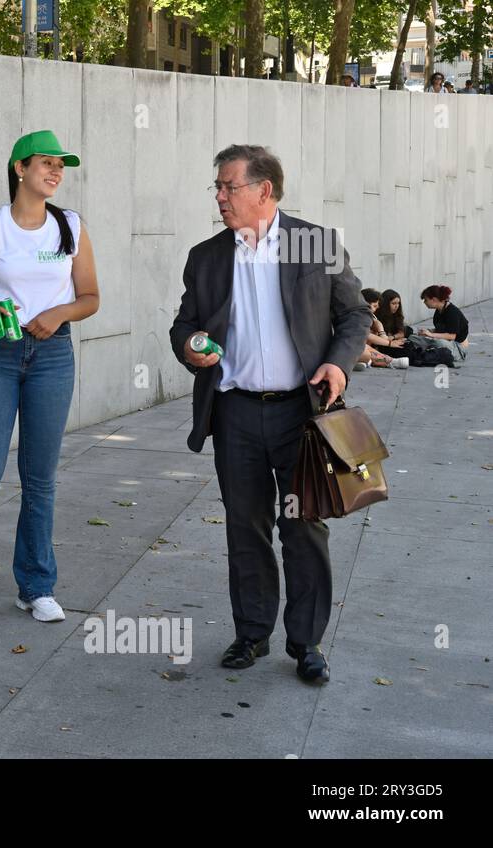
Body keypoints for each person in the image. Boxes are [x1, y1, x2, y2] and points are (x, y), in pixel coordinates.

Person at [169, 144, 372, 684]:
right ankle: (251, 633)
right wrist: (190, 343)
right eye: (217, 187)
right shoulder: (207, 255)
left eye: (228, 186)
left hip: (301, 415)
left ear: (264, 190)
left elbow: (355, 313)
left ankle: (306, 644)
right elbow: (184, 324)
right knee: (245, 526)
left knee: (303, 527)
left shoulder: (317, 244)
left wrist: (338, 365)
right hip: (234, 413)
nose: (219, 197)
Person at [0, 130, 100, 626]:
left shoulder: (70, 226)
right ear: (19, 169)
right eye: (45, 163)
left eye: (60, 166)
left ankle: (36, 586)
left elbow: (91, 296)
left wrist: (59, 314)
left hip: (52, 356)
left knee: (40, 478)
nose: (55, 172)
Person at [412, 284, 469, 365]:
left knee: (438, 343)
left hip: (457, 347)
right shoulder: (439, 310)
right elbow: (441, 329)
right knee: (413, 337)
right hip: (444, 341)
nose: (424, 302)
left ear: (434, 299)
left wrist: (431, 334)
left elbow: (451, 336)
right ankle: (428, 351)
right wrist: (427, 332)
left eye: (426, 300)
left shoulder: (453, 312)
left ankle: (428, 351)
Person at [354, 288, 408, 370]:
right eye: (375, 305)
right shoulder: (357, 316)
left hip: (361, 346)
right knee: (366, 354)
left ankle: (386, 360)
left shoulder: (368, 316)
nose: (377, 308)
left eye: (398, 303)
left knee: (366, 350)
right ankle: (379, 361)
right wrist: (388, 341)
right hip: (349, 348)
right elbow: (367, 335)